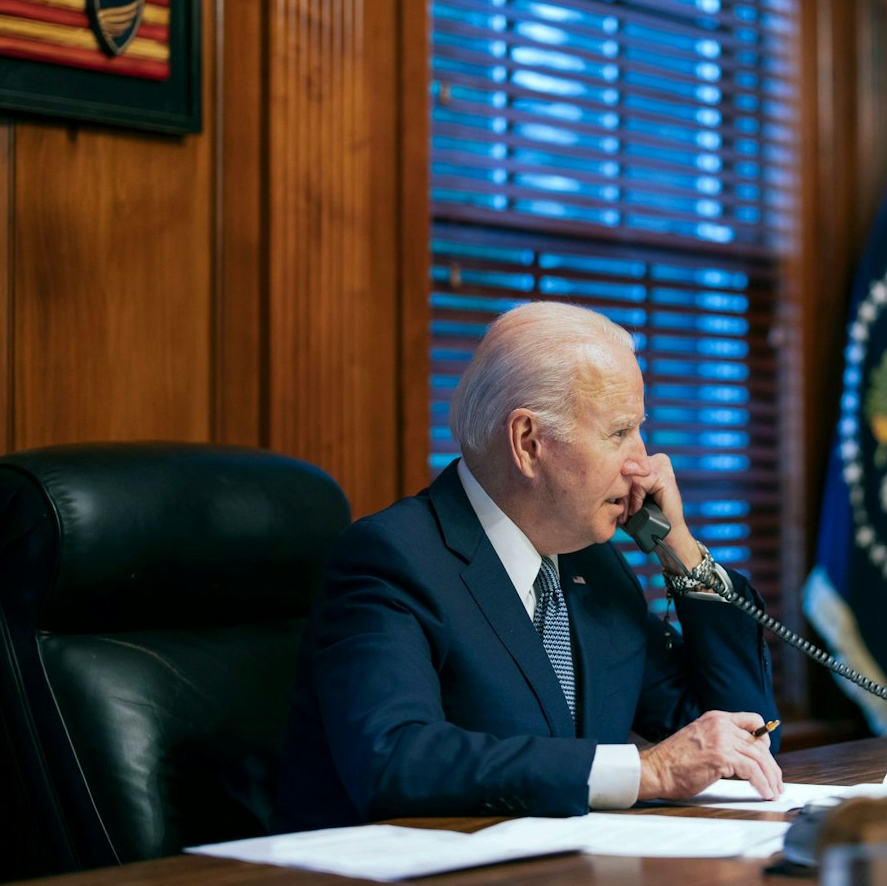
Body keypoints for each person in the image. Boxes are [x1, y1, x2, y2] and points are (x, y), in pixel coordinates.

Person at [273, 302, 783, 828]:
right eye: (618, 433)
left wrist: (682, 552)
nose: (645, 464)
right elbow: (394, 758)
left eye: (640, 430)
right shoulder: (391, 558)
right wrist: (645, 771)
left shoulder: (596, 567)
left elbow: (744, 745)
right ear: (528, 443)